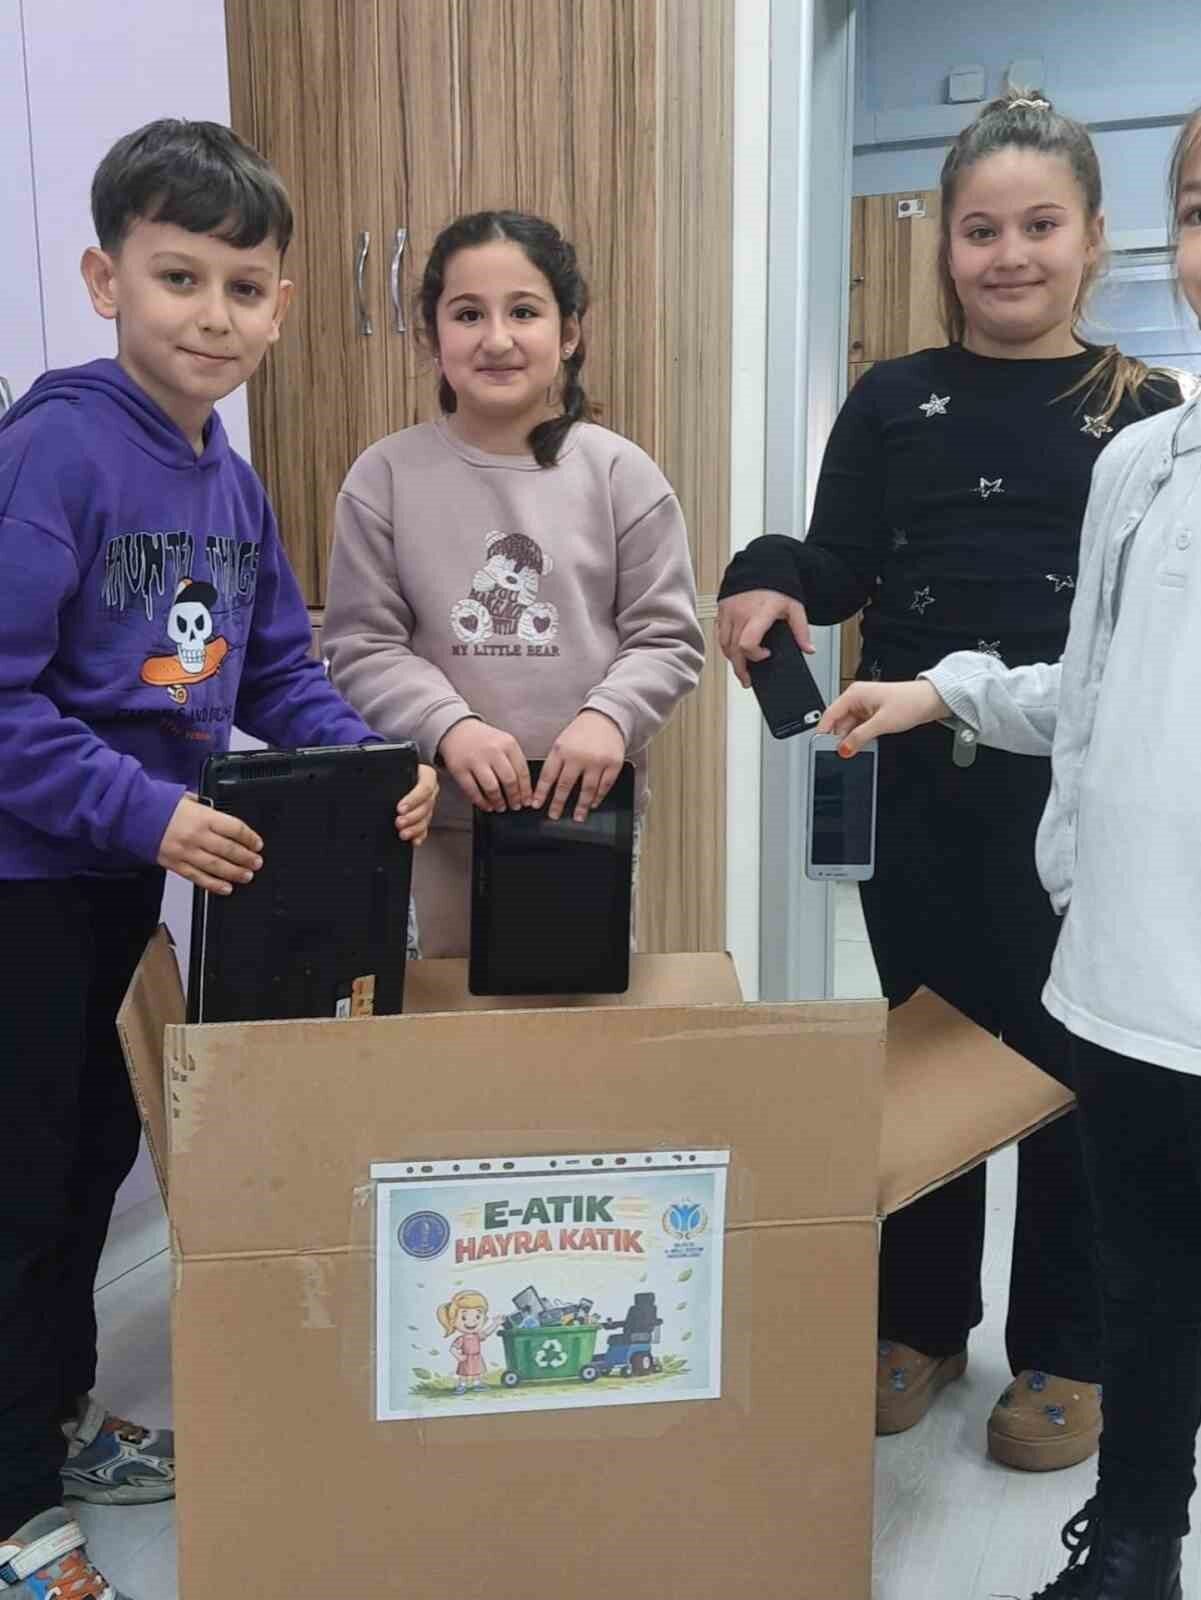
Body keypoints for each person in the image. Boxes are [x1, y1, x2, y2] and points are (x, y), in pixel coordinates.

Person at [0, 120, 437, 1600]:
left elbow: (276, 673)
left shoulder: (227, 483)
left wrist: (370, 767)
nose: (212, 314)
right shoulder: (53, 451)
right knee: (19, 1184)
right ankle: (9, 1503)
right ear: (104, 280)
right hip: (22, 885)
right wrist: (143, 811)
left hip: (115, 880)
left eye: (244, 289)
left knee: (88, 1155)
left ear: (282, 307)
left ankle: (52, 1414)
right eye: (177, 276)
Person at [717, 90, 1185, 1472]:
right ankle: (918, 1320)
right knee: (924, 1044)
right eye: (980, 230)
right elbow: (836, 565)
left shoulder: (1142, 411)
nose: (1009, 255)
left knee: (1067, 1061)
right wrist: (762, 575)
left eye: (1040, 225)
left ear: (1092, 238)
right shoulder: (890, 399)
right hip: (913, 772)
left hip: (1077, 788)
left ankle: (1067, 1346)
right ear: (946, 247)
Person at [322, 210, 704, 957]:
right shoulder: (384, 476)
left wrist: (609, 719)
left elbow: (667, 638)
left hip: (584, 814)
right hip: (436, 819)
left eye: (524, 312)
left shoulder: (621, 474)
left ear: (569, 332)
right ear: (432, 337)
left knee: (577, 1009)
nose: (496, 338)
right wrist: (449, 726)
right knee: (444, 1011)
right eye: (468, 314)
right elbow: (362, 646)